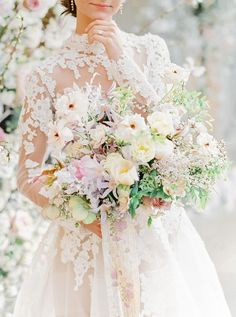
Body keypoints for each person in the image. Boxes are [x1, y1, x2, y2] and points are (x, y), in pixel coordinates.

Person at [13, 1, 232, 316]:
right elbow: (28, 175)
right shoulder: (47, 74)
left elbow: (173, 128)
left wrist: (121, 59)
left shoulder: (151, 50)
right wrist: (87, 218)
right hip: (86, 243)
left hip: (155, 234)